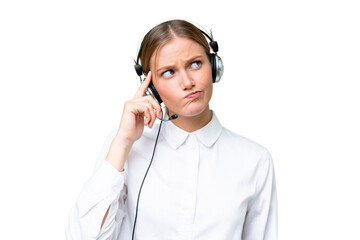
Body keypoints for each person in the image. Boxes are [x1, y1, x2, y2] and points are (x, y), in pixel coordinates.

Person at [66, 19, 277, 240]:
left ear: (214, 67)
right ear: (151, 89)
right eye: (168, 72)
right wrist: (123, 141)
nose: (187, 82)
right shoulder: (126, 149)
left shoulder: (255, 160)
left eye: (195, 64)